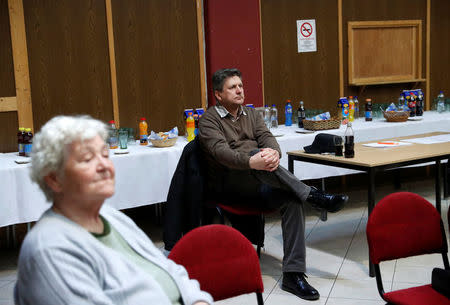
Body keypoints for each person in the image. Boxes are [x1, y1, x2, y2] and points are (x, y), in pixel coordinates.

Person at [14, 115, 212, 305]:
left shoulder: (110, 217)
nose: (104, 165)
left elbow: (168, 268)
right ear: (54, 179)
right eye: (87, 159)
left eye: (105, 154)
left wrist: (198, 299)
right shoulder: (49, 250)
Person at [198, 68, 349, 301]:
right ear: (218, 94)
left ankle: (293, 274)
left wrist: (273, 154)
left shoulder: (251, 114)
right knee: (261, 157)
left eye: (241, 86)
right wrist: (252, 160)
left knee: (292, 199)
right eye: (232, 87)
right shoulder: (209, 119)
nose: (239, 90)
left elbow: (269, 140)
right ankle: (314, 197)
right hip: (229, 185)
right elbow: (222, 154)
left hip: (258, 179)